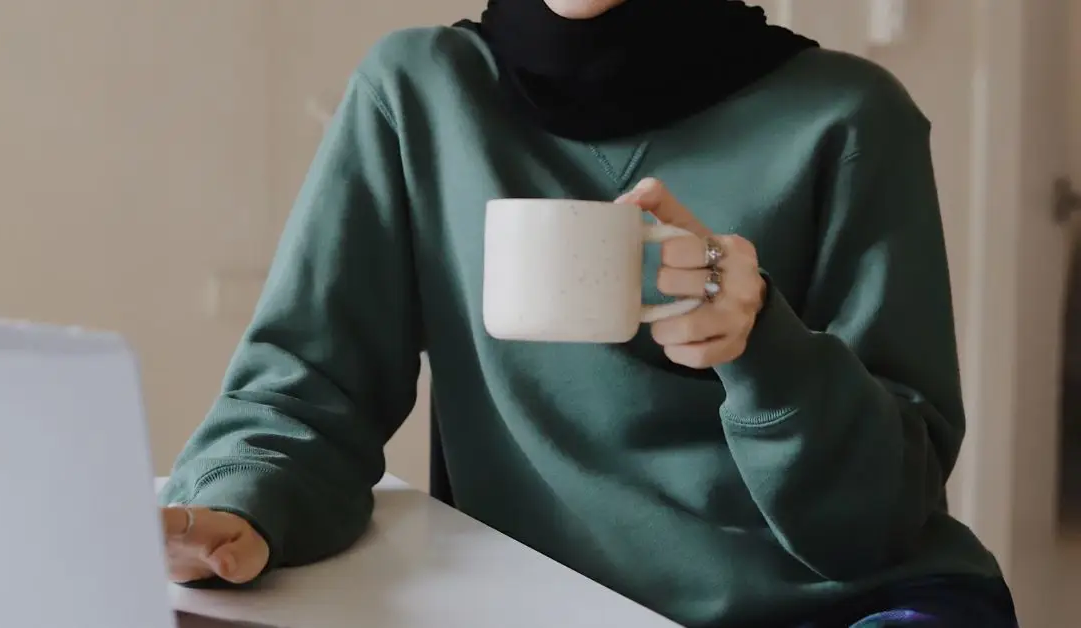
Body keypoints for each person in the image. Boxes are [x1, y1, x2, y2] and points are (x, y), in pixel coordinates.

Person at [158, 1, 1019, 626]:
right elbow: (305, 391)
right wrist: (240, 512)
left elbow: (883, 520)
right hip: (545, 602)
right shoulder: (417, 91)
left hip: (848, 607)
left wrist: (763, 349)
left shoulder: (851, 116)